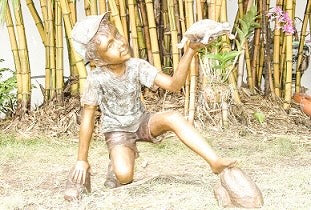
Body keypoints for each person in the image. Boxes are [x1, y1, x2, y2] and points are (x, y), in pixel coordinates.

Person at [64, 13, 235, 200]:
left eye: (118, 36)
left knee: (173, 117)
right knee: (124, 176)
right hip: (117, 131)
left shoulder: (137, 66)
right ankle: (116, 163)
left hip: (141, 121)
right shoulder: (96, 78)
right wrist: (82, 160)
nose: (120, 43)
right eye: (110, 45)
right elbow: (87, 120)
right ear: (97, 60)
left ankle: (214, 161)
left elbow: (174, 85)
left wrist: (190, 51)